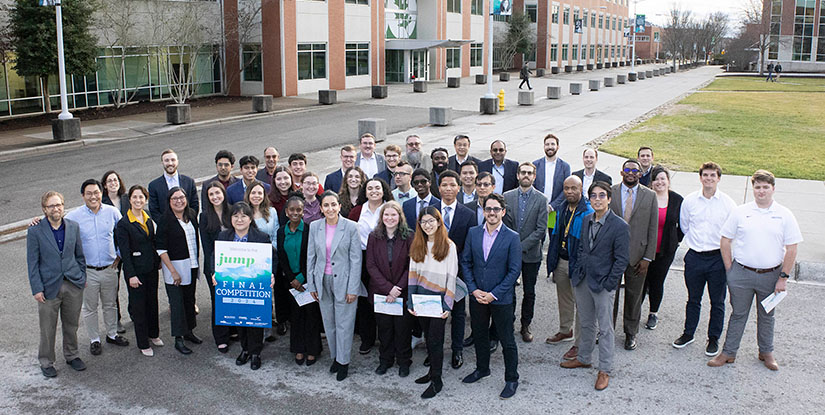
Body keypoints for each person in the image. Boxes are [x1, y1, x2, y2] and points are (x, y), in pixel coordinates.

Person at [711, 170, 802, 370]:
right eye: (757, 187)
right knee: (738, 314)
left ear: (773, 189)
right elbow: (725, 240)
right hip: (741, 274)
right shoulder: (741, 211)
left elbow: (792, 248)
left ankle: (766, 352)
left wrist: (783, 278)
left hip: (771, 275)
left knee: (767, 315)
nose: (761, 191)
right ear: (753, 189)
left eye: (765, 187)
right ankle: (728, 353)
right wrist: (730, 270)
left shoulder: (784, 214)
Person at [561, 181, 630, 392]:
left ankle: (605, 369)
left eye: (602, 196)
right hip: (583, 280)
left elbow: (621, 260)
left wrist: (610, 284)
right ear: (589, 199)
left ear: (609, 199)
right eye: (593, 196)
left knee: (605, 328)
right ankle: (584, 358)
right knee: (586, 323)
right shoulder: (587, 219)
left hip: (603, 284)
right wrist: (577, 274)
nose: (597, 199)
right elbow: (582, 248)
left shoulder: (619, 226)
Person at [461, 193, 522, 400]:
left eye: (496, 209)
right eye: (488, 209)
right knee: (479, 335)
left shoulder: (512, 237)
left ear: (503, 212)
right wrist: (474, 289)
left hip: (501, 298)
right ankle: (482, 369)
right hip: (477, 296)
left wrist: (494, 294)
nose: (492, 213)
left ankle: (511, 378)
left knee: (507, 340)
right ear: (483, 211)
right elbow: (466, 263)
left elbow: (514, 271)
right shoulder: (473, 233)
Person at [673, 162, 737, 355]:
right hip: (694, 257)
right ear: (700, 177)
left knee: (717, 301)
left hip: (717, 258)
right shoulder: (690, 201)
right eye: (705, 175)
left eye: (712, 175)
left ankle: (713, 338)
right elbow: (684, 226)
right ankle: (688, 333)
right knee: (693, 299)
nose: (708, 179)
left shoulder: (728, 203)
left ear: (719, 178)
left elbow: (733, 231)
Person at [65, 179, 128, 355]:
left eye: (96, 192)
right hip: (88, 271)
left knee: (110, 305)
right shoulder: (74, 216)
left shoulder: (112, 212)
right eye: (89, 193)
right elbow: (57, 226)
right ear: (83, 196)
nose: (93, 196)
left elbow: (124, 233)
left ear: (102, 193)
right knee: (90, 308)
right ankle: (94, 339)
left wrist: (119, 254)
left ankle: (112, 334)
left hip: (109, 269)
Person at [27, 191, 87, 377]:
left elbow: (79, 255)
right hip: (48, 288)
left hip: (72, 284)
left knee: (71, 324)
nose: (56, 208)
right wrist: (37, 288)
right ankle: (46, 361)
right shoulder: (35, 231)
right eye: (52, 205)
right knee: (47, 328)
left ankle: (72, 355)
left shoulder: (73, 227)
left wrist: (81, 277)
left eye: (59, 204)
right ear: (45, 209)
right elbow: (33, 263)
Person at [307, 191, 362, 381]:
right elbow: (311, 257)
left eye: (333, 205)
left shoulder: (351, 227)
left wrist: (353, 288)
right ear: (321, 209)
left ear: (339, 206)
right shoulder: (315, 226)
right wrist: (311, 284)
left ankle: (344, 361)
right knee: (329, 323)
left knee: (344, 324)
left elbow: (356, 260)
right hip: (322, 280)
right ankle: (336, 358)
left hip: (344, 282)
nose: (330, 208)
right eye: (326, 205)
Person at [408, 207, 458, 399]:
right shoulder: (417, 244)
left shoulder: (448, 246)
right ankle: (431, 373)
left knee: (436, 341)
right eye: (424, 222)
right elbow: (412, 274)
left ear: (439, 222)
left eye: (431, 221)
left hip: (439, 300)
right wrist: (411, 301)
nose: (428, 225)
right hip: (421, 299)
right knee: (428, 338)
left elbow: (452, 276)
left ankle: (437, 380)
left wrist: (448, 304)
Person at [609, 159, 658, 351]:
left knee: (634, 295)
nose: (631, 173)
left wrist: (648, 258)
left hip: (638, 255)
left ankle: (631, 332)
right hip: (612, 254)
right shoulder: (610, 192)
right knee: (610, 295)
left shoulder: (650, 196)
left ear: (640, 174)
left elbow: (652, 229)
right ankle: (606, 330)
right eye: (627, 169)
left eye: (635, 170)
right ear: (622, 172)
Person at [217, 202, 272, 370]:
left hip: (255, 287)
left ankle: (255, 352)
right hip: (234, 286)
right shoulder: (223, 237)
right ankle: (245, 349)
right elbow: (214, 257)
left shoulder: (261, 238)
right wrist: (214, 272)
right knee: (239, 320)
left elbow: (272, 258)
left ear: (250, 219)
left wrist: (272, 275)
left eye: (243, 216)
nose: (239, 219)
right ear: (230, 218)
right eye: (236, 216)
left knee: (254, 321)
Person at [546, 176, 593, 361]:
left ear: (581, 189)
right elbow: (554, 234)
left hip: (578, 264)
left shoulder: (587, 212)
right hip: (561, 260)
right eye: (566, 188)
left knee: (581, 305)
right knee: (564, 299)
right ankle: (565, 330)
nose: (570, 192)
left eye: (574, 188)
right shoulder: (561, 208)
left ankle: (579, 344)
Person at [435, 170, 477, 369]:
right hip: (433, 273)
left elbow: (469, 247)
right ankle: (435, 350)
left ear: (459, 188)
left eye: (452, 185)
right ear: (439, 188)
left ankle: (457, 350)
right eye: (444, 185)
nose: (448, 189)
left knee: (458, 314)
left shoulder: (468, 214)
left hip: (458, 273)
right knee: (436, 314)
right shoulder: (430, 210)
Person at [366, 201, 413, 377]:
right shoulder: (374, 236)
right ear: (381, 217)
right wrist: (388, 289)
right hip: (381, 293)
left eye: (394, 214)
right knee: (384, 329)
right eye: (386, 215)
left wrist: (398, 288)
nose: (390, 218)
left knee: (402, 330)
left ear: (400, 217)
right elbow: (370, 265)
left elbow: (412, 265)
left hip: (402, 292)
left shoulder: (408, 236)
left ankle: (404, 361)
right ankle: (385, 360)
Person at [502, 163, 548, 343]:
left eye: (530, 173)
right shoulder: (507, 196)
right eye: (523, 172)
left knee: (529, 291)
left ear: (534, 176)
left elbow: (541, 229)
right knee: (508, 290)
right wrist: (513, 247)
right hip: (509, 254)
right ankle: (509, 322)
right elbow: (503, 224)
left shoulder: (542, 199)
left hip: (531, 255)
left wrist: (520, 246)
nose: (526, 175)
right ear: (518, 175)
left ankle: (525, 324)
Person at [348, 177, 393, 355]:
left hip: (388, 259)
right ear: (364, 192)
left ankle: (386, 339)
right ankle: (367, 338)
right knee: (366, 300)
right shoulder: (356, 211)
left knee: (385, 298)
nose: (374, 191)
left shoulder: (391, 209)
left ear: (384, 190)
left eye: (378, 188)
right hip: (362, 258)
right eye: (370, 188)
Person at [115, 185, 162, 357]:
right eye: (134, 197)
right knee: (139, 307)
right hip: (136, 272)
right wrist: (131, 275)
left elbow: (152, 242)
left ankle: (154, 334)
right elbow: (125, 254)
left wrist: (157, 262)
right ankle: (143, 343)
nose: (138, 200)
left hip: (151, 268)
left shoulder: (147, 217)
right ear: (130, 200)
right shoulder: (124, 224)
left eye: (141, 197)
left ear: (145, 199)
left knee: (152, 302)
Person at [155, 187, 201, 355]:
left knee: (189, 300)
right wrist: (173, 271)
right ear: (169, 201)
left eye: (181, 197)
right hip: (174, 268)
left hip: (192, 265)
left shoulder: (191, 215)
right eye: (174, 198)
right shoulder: (164, 220)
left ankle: (189, 332)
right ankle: (178, 339)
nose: (179, 201)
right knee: (177, 304)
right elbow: (161, 249)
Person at [277, 196, 322, 366]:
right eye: (292, 210)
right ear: (287, 212)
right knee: (295, 316)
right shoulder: (281, 231)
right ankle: (298, 348)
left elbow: (313, 257)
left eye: (299, 210)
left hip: (308, 279)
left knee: (311, 316)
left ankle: (312, 349)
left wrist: (301, 278)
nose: (295, 213)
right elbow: (281, 256)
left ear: (303, 212)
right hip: (290, 282)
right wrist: (291, 278)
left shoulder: (310, 230)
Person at [642, 166, 683, 332]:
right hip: (645, 249)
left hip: (665, 250)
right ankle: (635, 311)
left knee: (657, 282)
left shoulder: (677, 200)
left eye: (662, 179)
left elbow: (683, 225)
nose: (659, 182)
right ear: (651, 183)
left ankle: (653, 313)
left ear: (668, 181)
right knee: (642, 282)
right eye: (656, 179)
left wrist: (676, 241)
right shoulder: (646, 197)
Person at [199, 181, 234, 353]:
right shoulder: (204, 216)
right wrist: (213, 270)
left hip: (234, 264)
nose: (215, 197)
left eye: (217, 193)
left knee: (233, 298)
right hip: (214, 265)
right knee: (218, 301)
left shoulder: (233, 210)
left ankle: (234, 330)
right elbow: (206, 247)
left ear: (223, 193)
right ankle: (221, 337)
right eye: (211, 194)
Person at [245, 181, 282, 339]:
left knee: (267, 295)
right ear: (248, 194)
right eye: (253, 193)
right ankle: (253, 330)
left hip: (267, 257)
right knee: (253, 296)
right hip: (249, 261)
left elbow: (275, 233)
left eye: (260, 193)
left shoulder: (272, 212)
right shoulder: (244, 212)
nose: (256, 196)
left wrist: (268, 254)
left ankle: (267, 331)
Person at [101, 170, 128, 334]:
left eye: (115, 180)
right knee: (113, 288)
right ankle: (116, 321)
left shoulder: (126, 199)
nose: (113, 183)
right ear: (104, 185)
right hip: (113, 254)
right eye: (109, 181)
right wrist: (116, 253)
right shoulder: (102, 202)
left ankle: (135, 315)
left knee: (134, 283)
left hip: (129, 249)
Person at [533, 134, 571, 241]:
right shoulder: (536, 164)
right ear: (543, 146)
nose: (550, 147)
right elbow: (533, 187)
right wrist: (541, 205)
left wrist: (551, 206)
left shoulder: (565, 166)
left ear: (558, 147)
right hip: (538, 209)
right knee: (538, 240)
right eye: (547, 144)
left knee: (554, 241)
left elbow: (566, 189)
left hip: (556, 210)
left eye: (553, 144)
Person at [148, 149, 198, 220]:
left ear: (177, 161)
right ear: (162, 162)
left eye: (173, 160)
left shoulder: (189, 182)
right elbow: (154, 210)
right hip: (166, 228)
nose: (170, 163)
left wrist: (188, 220)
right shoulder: (154, 186)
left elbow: (194, 205)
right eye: (166, 160)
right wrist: (164, 225)